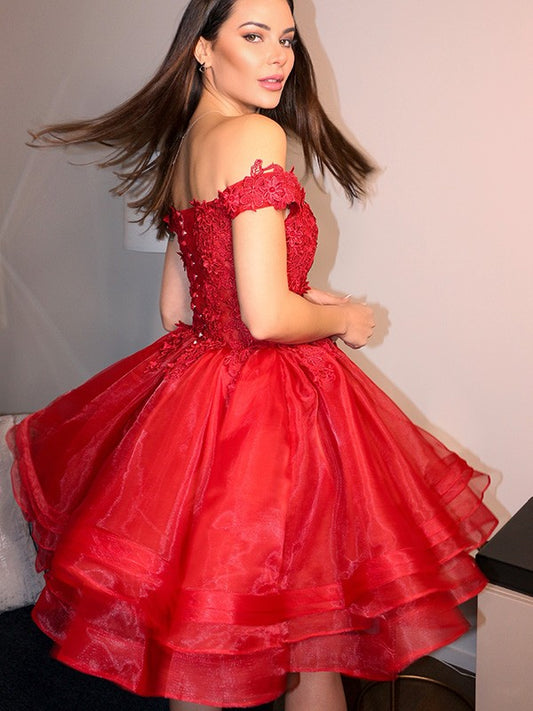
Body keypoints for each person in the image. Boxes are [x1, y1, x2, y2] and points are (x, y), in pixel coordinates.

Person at [8, 0, 498, 709]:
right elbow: (267, 319)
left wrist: (303, 298)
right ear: (204, 49)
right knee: (314, 638)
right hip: (273, 410)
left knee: (206, 636)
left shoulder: (188, 143)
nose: (277, 56)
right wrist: (345, 318)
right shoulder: (254, 134)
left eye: (287, 39)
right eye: (253, 35)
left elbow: (179, 308)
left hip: (202, 397)